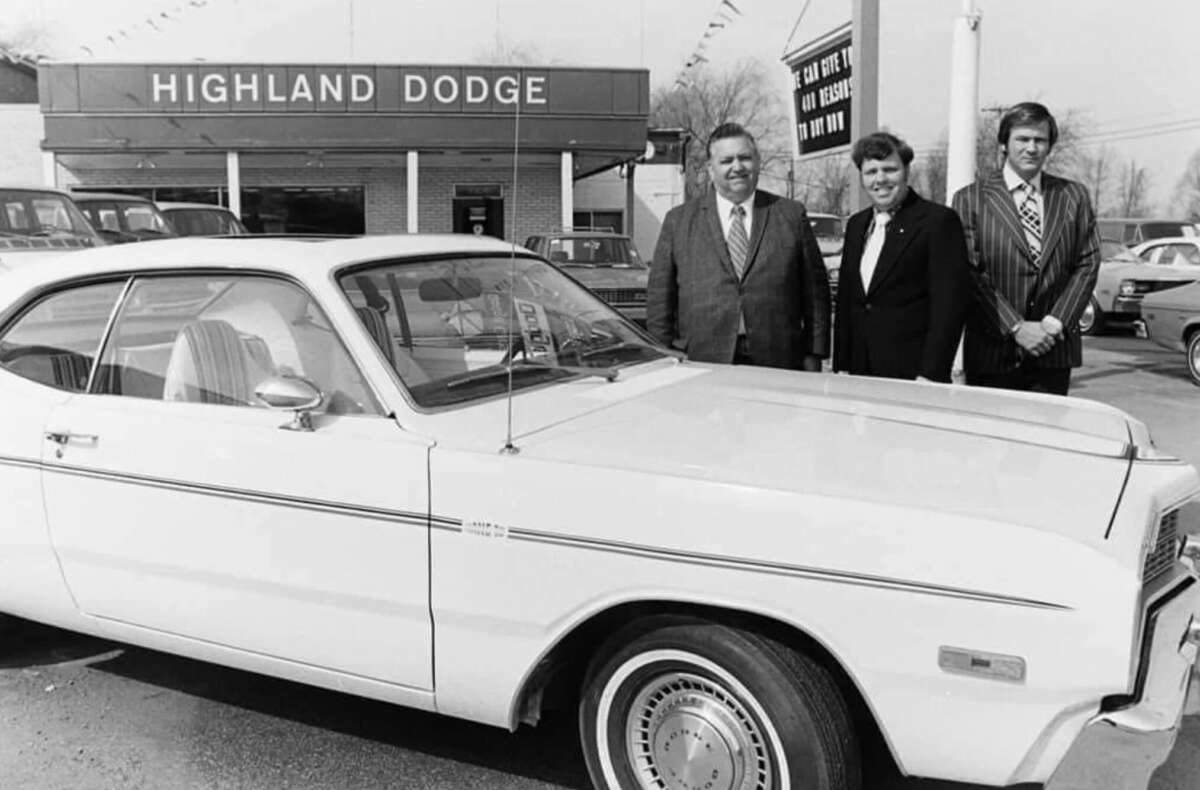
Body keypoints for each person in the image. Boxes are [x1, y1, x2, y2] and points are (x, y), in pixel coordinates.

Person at [646, 122, 830, 369]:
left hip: (779, 359)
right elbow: (660, 299)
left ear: (757, 162)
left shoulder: (790, 215)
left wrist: (814, 354)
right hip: (702, 359)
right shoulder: (678, 221)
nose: (737, 167)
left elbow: (816, 294)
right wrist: (663, 355)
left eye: (745, 158)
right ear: (711, 169)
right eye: (726, 161)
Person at [952, 102, 1100, 395]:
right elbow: (970, 272)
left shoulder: (1073, 196)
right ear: (1005, 143)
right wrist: (1017, 328)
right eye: (1022, 139)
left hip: (1053, 352)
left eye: (1040, 140)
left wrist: (1054, 323)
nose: (1031, 148)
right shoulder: (971, 199)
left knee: (1048, 440)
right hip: (993, 355)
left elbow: (1088, 262)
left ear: (1049, 146)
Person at [833, 132, 971, 382]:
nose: (880, 179)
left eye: (890, 169)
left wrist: (931, 373)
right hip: (859, 372)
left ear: (906, 171)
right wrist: (841, 364)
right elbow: (847, 301)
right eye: (871, 171)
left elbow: (949, 307)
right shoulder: (856, 225)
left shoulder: (938, 222)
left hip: (913, 375)